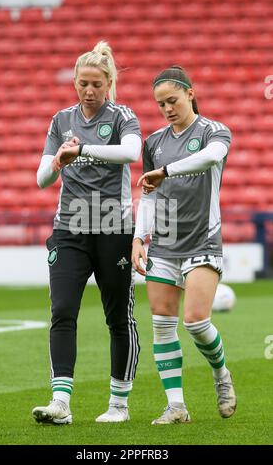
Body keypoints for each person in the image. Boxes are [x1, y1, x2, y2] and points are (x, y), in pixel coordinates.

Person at [32, 41, 141, 424]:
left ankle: (118, 404)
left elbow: (131, 153)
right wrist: (60, 162)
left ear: (109, 82)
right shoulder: (61, 120)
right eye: (83, 84)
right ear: (75, 84)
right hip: (69, 229)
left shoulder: (123, 115)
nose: (89, 91)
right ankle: (60, 402)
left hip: (114, 229)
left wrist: (84, 152)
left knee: (118, 319)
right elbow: (42, 179)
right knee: (62, 311)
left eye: (96, 83)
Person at [132, 65, 236, 424]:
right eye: (160, 104)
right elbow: (147, 193)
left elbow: (210, 158)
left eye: (173, 100)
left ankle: (221, 374)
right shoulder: (154, 143)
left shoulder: (214, 131)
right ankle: (176, 406)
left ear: (190, 93)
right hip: (163, 244)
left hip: (203, 241)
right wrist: (137, 238)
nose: (167, 109)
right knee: (162, 324)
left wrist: (168, 170)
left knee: (194, 321)